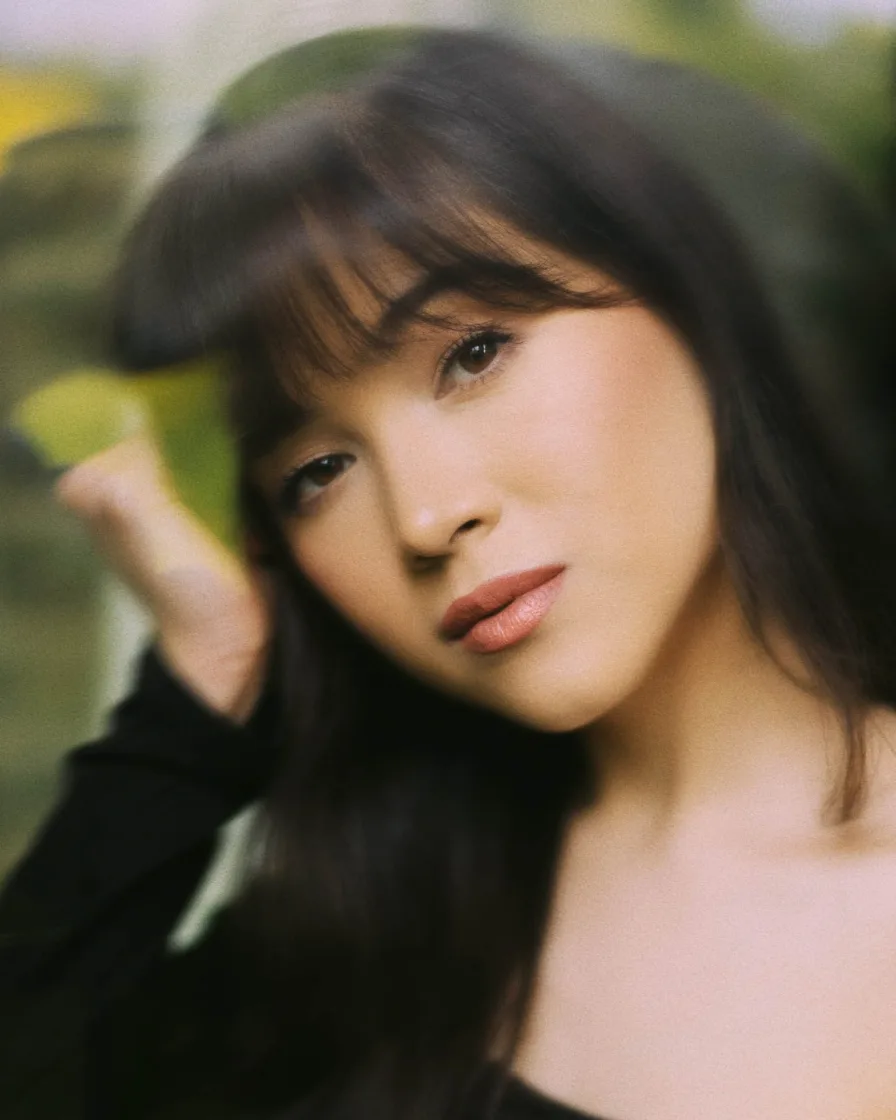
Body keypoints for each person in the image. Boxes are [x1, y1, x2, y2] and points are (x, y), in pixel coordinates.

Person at [2, 24, 896, 1120]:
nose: (426, 518)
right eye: (317, 470)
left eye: (472, 354)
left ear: (690, 295)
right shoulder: (367, 930)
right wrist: (188, 708)